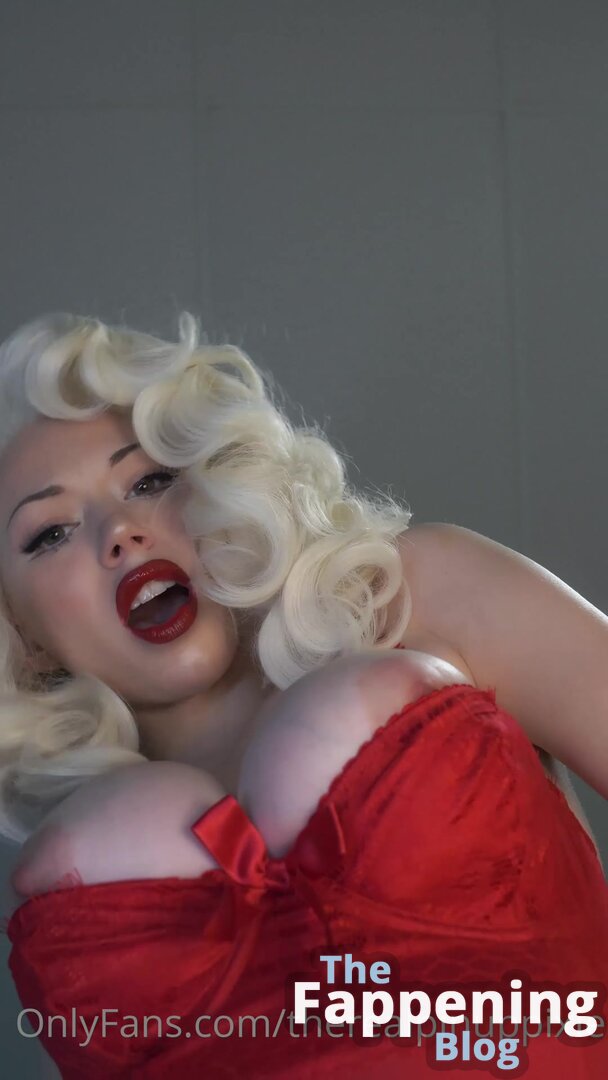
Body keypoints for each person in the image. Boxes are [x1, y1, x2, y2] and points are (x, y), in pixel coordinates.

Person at [0, 310, 606, 1078]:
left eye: (149, 481)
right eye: (50, 533)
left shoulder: (416, 596)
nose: (119, 531)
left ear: (217, 485)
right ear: (20, 629)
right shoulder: (80, 877)